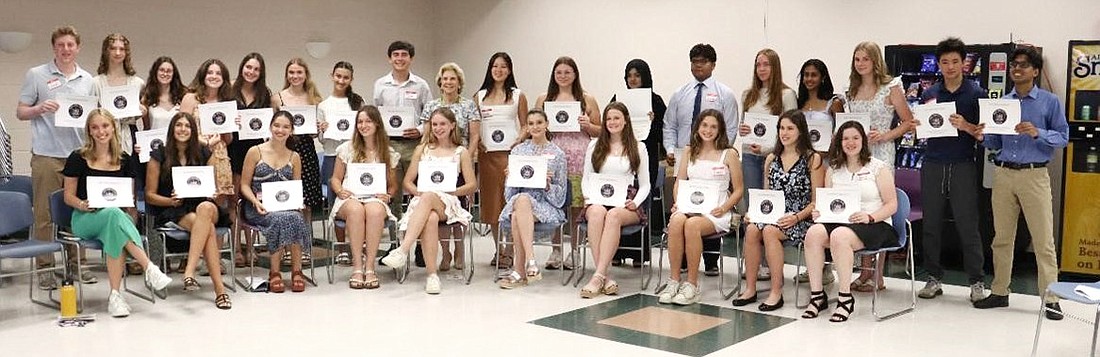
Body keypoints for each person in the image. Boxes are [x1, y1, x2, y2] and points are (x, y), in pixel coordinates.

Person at [973, 46, 1069, 321]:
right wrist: (983, 135)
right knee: (1001, 238)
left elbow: (1063, 137)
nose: (1017, 69)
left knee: (1043, 241)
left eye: (1024, 65)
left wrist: (1038, 132)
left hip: (1034, 175)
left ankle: (1050, 298)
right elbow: (994, 143)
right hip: (1003, 174)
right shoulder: (1003, 102)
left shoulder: (1049, 102)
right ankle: (1000, 291)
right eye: (1014, 64)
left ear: (1035, 71)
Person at [62, 109, 173, 317]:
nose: (100, 131)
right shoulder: (78, 157)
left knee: (115, 223)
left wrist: (131, 217)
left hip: (115, 220)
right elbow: (68, 197)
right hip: (85, 218)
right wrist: (82, 204)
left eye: (105, 126)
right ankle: (149, 267)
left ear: (113, 127)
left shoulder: (124, 159)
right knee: (114, 215)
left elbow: (129, 201)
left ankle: (115, 297)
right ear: (89, 131)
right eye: (94, 127)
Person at [16, 26, 97, 289]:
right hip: (47, 155)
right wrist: (39, 109)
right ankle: (45, 268)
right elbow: (21, 112)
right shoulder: (37, 75)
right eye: (60, 45)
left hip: (78, 157)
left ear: (78, 48)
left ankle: (77, 265)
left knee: (78, 212)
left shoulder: (88, 79)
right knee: (44, 215)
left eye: (70, 45)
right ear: (54, 47)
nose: (65, 49)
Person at [914, 38, 989, 303]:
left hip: (963, 164)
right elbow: (923, 130)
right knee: (931, 224)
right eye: (944, 62)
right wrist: (918, 125)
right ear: (939, 64)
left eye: (955, 61)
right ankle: (933, 278)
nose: (950, 67)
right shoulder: (930, 93)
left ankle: (976, 281)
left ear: (963, 63)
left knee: (968, 225)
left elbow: (984, 134)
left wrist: (966, 126)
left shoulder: (976, 93)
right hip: (933, 163)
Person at [801, 121, 898, 323]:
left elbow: (892, 205)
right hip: (841, 222)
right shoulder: (834, 169)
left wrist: (869, 217)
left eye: (855, 138)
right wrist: (820, 212)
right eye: (845, 138)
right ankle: (817, 296)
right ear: (839, 142)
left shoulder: (878, 168)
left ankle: (845, 298)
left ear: (863, 140)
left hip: (875, 223)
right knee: (814, 233)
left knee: (839, 236)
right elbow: (827, 202)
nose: (850, 142)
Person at [732, 110, 824, 311]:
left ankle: (776, 291)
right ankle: (750, 288)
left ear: (801, 131)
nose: (785, 133)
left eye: (790, 128)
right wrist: (754, 213)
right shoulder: (771, 158)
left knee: (769, 231)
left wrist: (796, 217)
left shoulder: (812, 159)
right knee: (753, 229)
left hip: (801, 217)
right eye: (782, 128)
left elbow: (817, 202)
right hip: (773, 215)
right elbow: (766, 196)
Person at [381, 107, 476, 295]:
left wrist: (451, 190)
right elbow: (407, 182)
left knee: (431, 197)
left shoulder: (461, 151)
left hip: (449, 201)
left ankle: (403, 249)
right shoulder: (422, 149)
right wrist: (419, 193)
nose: (438, 128)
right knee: (430, 217)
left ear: (452, 126)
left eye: (442, 124)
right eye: (434, 124)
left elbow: (472, 185)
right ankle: (432, 276)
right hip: (423, 201)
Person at [663, 43, 739, 275]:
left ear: (713, 65)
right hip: (686, 158)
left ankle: (711, 261)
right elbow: (670, 125)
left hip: (715, 161)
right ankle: (682, 264)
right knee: (684, 209)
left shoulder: (725, 93)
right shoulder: (679, 93)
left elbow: (732, 126)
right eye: (695, 61)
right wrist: (670, 150)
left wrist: (719, 152)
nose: (698, 66)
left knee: (709, 204)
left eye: (703, 61)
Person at [844, 41, 914, 291]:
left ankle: (878, 274)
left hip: (882, 152)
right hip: (857, 153)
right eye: (857, 59)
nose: (861, 63)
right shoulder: (850, 89)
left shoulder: (891, 87)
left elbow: (909, 122)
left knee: (880, 206)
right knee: (861, 206)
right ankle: (864, 271)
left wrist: (885, 136)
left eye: (865, 59)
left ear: (875, 61)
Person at [144, 112, 231, 309]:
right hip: (176, 209)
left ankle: (189, 271)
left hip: (204, 205)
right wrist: (170, 201)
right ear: (172, 129)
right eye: (178, 125)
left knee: (206, 207)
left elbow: (213, 188)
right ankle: (220, 291)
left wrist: (214, 193)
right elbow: (150, 195)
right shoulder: (159, 155)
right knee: (207, 228)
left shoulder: (204, 153)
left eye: (187, 126)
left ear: (193, 131)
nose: (183, 129)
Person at [659, 109, 743, 305]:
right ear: (697, 127)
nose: (708, 130)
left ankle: (692, 284)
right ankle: (673, 280)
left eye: (713, 126)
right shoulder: (689, 150)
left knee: (692, 225)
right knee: (676, 220)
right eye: (704, 125)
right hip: (689, 205)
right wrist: (678, 202)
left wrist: (724, 208)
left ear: (720, 129)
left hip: (717, 211)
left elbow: (739, 190)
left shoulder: (729, 154)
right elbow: (679, 180)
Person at [534, 56, 602, 270]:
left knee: (575, 206)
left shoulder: (586, 99)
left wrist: (587, 125)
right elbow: (534, 126)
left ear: (575, 75)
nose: (563, 76)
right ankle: (555, 250)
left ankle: (575, 251)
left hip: (578, 157)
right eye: (559, 72)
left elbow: (601, 131)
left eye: (567, 72)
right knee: (553, 201)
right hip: (551, 156)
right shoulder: (544, 98)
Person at [577, 102, 649, 299]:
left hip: (625, 201)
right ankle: (604, 276)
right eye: (608, 119)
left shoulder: (639, 147)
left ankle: (597, 276)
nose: (612, 122)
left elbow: (645, 185)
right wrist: (588, 198)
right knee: (599, 212)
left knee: (614, 215)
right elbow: (586, 178)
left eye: (616, 118)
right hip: (597, 198)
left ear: (625, 121)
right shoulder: (594, 145)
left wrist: (636, 202)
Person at [738, 48, 798, 281]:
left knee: (772, 209)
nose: (761, 69)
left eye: (766, 64)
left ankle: (772, 262)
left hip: (775, 158)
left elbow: (792, 129)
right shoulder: (748, 95)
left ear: (775, 67)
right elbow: (745, 126)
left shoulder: (786, 95)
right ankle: (755, 261)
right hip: (751, 157)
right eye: (758, 65)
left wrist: (769, 149)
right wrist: (744, 131)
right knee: (753, 209)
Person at [373, 41, 433, 268]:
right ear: (389, 58)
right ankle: (395, 244)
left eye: (404, 55)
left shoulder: (421, 85)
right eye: (395, 55)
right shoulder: (380, 85)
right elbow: (377, 116)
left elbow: (428, 115)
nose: (400, 58)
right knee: (393, 196)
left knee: (418, 194)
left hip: (413, 144)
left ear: (411, 58)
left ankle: (419, 245)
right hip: (388, 146)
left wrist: (418, 130)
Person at [239, 110, 312, 293]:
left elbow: (296, 187)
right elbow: (244, 185)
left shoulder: (294, 156)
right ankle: (275, 272)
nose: (281, 130)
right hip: (258, 206)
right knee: (280, 219)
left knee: (295, 216)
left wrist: (298, 202)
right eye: (277, 125)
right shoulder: (255, 151)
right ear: (270, 127)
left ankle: (297, 271)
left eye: (286, 127)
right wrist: (255, 202)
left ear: (291, 131)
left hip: (285, 206)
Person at [418, 62, 481, 272]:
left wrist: (466, 161)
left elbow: (474, 136)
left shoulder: (469, 105)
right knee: (441, 209)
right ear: (440, 82)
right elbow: (427, 135)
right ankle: (446, 253)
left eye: (452, 78)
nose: (448, 82)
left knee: (458, 208)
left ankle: (460, 250)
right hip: (436, 162)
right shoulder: (431, 105)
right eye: (445, 78)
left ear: (459, 82)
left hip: (459, 161)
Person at [329, 105, 398, 289]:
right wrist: (339, 191)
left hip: (374, 197)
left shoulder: (388, 152)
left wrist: (388, 195)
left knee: (375, 211)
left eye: (368, 121)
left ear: (377, 124)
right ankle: (357, 267)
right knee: (356, 209)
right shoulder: (346, 148)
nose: (363, 125)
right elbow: (335, 179)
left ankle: (370, 267)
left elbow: (392, 185)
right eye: (360, 121)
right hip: (349, 197)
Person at [497, 109, 568, 288]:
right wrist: (510, 177)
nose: (535, 127)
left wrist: (547, 185)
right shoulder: (519, 151)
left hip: (546, 204)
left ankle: (520, 270)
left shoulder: (557, 154)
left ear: (546, 124)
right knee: (521, 201)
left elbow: (561, 194)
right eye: (531, 123)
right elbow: (509, 195)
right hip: (519, 201)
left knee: (518, 213)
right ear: (527, 127)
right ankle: (530, 262)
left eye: (539, 122)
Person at [472, 52, 529, 268]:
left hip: (511, 156)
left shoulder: (518, 95)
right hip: (488, 156)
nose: (499, 70)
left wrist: (519, 140)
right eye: (495, 66)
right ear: (490, 69)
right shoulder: (479, 95)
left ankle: (510, 250)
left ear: (510, 70)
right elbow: (474, 126)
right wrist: (478, 143)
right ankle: (498, 248)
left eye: (504, 66)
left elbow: (525, 125)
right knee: (492, 204)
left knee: (510, 202)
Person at [609, 58, 667, 268]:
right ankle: (615, 251)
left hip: (646, 157)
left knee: (640, 202)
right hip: (620, 158)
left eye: (637, 75)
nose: (633, 79)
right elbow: (610, 124)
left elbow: (663, 133)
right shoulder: (618, 98)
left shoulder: (656, 100)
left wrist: (654, 122)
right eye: (629, 76)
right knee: (618, 201)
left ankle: (639, 254)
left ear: (645, 77)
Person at [229, 52, 277, 268]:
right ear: (242, 68)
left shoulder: (264, 94)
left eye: (256, 69)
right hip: (234, 149)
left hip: (256, 151)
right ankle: (236, 249)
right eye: (248, 67)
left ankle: (251, 247)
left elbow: (270, 122)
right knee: (233, 201)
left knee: (252, 199)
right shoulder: (229, 91)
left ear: (261, 72)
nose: (251, 72)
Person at [319, 60, 365, 267]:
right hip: (331, 155)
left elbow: (365, 130)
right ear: (332, 76)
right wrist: (323, 129)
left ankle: (361, 245)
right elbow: (321, 139)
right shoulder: (323, 105)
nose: (341, 80)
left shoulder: (357, 102)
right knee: (335, 201)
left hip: (356, 158)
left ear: (351, 79)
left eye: (346, 77)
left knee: (360, 198)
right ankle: (341, 247)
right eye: (338, 76)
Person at [273, 58, 326, 232]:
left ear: (305, 75)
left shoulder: (315, 99)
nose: (295, 76)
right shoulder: (277, 98)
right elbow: (271, 128)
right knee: (286, 197)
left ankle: (305, 242)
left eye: (299, 72)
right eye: (291, 72)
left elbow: (314, 134)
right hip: (284, 150)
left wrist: (319, 129)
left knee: (307, 199)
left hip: (307, 150)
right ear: (287, 75)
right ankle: (288, 242)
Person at [179, 59, 236, 204]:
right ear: (203, 75)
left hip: (219, 156)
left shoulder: (226, 102)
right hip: (194, 153)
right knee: (194, 200)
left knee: (216, 204)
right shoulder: (190, 98)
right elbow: (180, 129)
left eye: (218, 73)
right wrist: (204, 142)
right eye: (210, 72)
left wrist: (231, 126)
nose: (214, 76)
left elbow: (228, 140)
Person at [93, 33, 145, 154]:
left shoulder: (138, 83)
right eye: (113, 48)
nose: (117, 53)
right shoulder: (96, 83)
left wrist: (141, 111)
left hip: (130, 135)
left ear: (126, 52)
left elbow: (145, 119)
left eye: (121, 49)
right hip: (103, 136)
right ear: (106, 51)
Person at [140, 56, 185, 131]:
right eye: (162, 70)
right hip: (155, 141)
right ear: (155, 72)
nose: (165, 73)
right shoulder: (147, 98)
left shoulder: (183, 96)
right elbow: (146, 128)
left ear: (174, 74)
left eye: (169, 71)